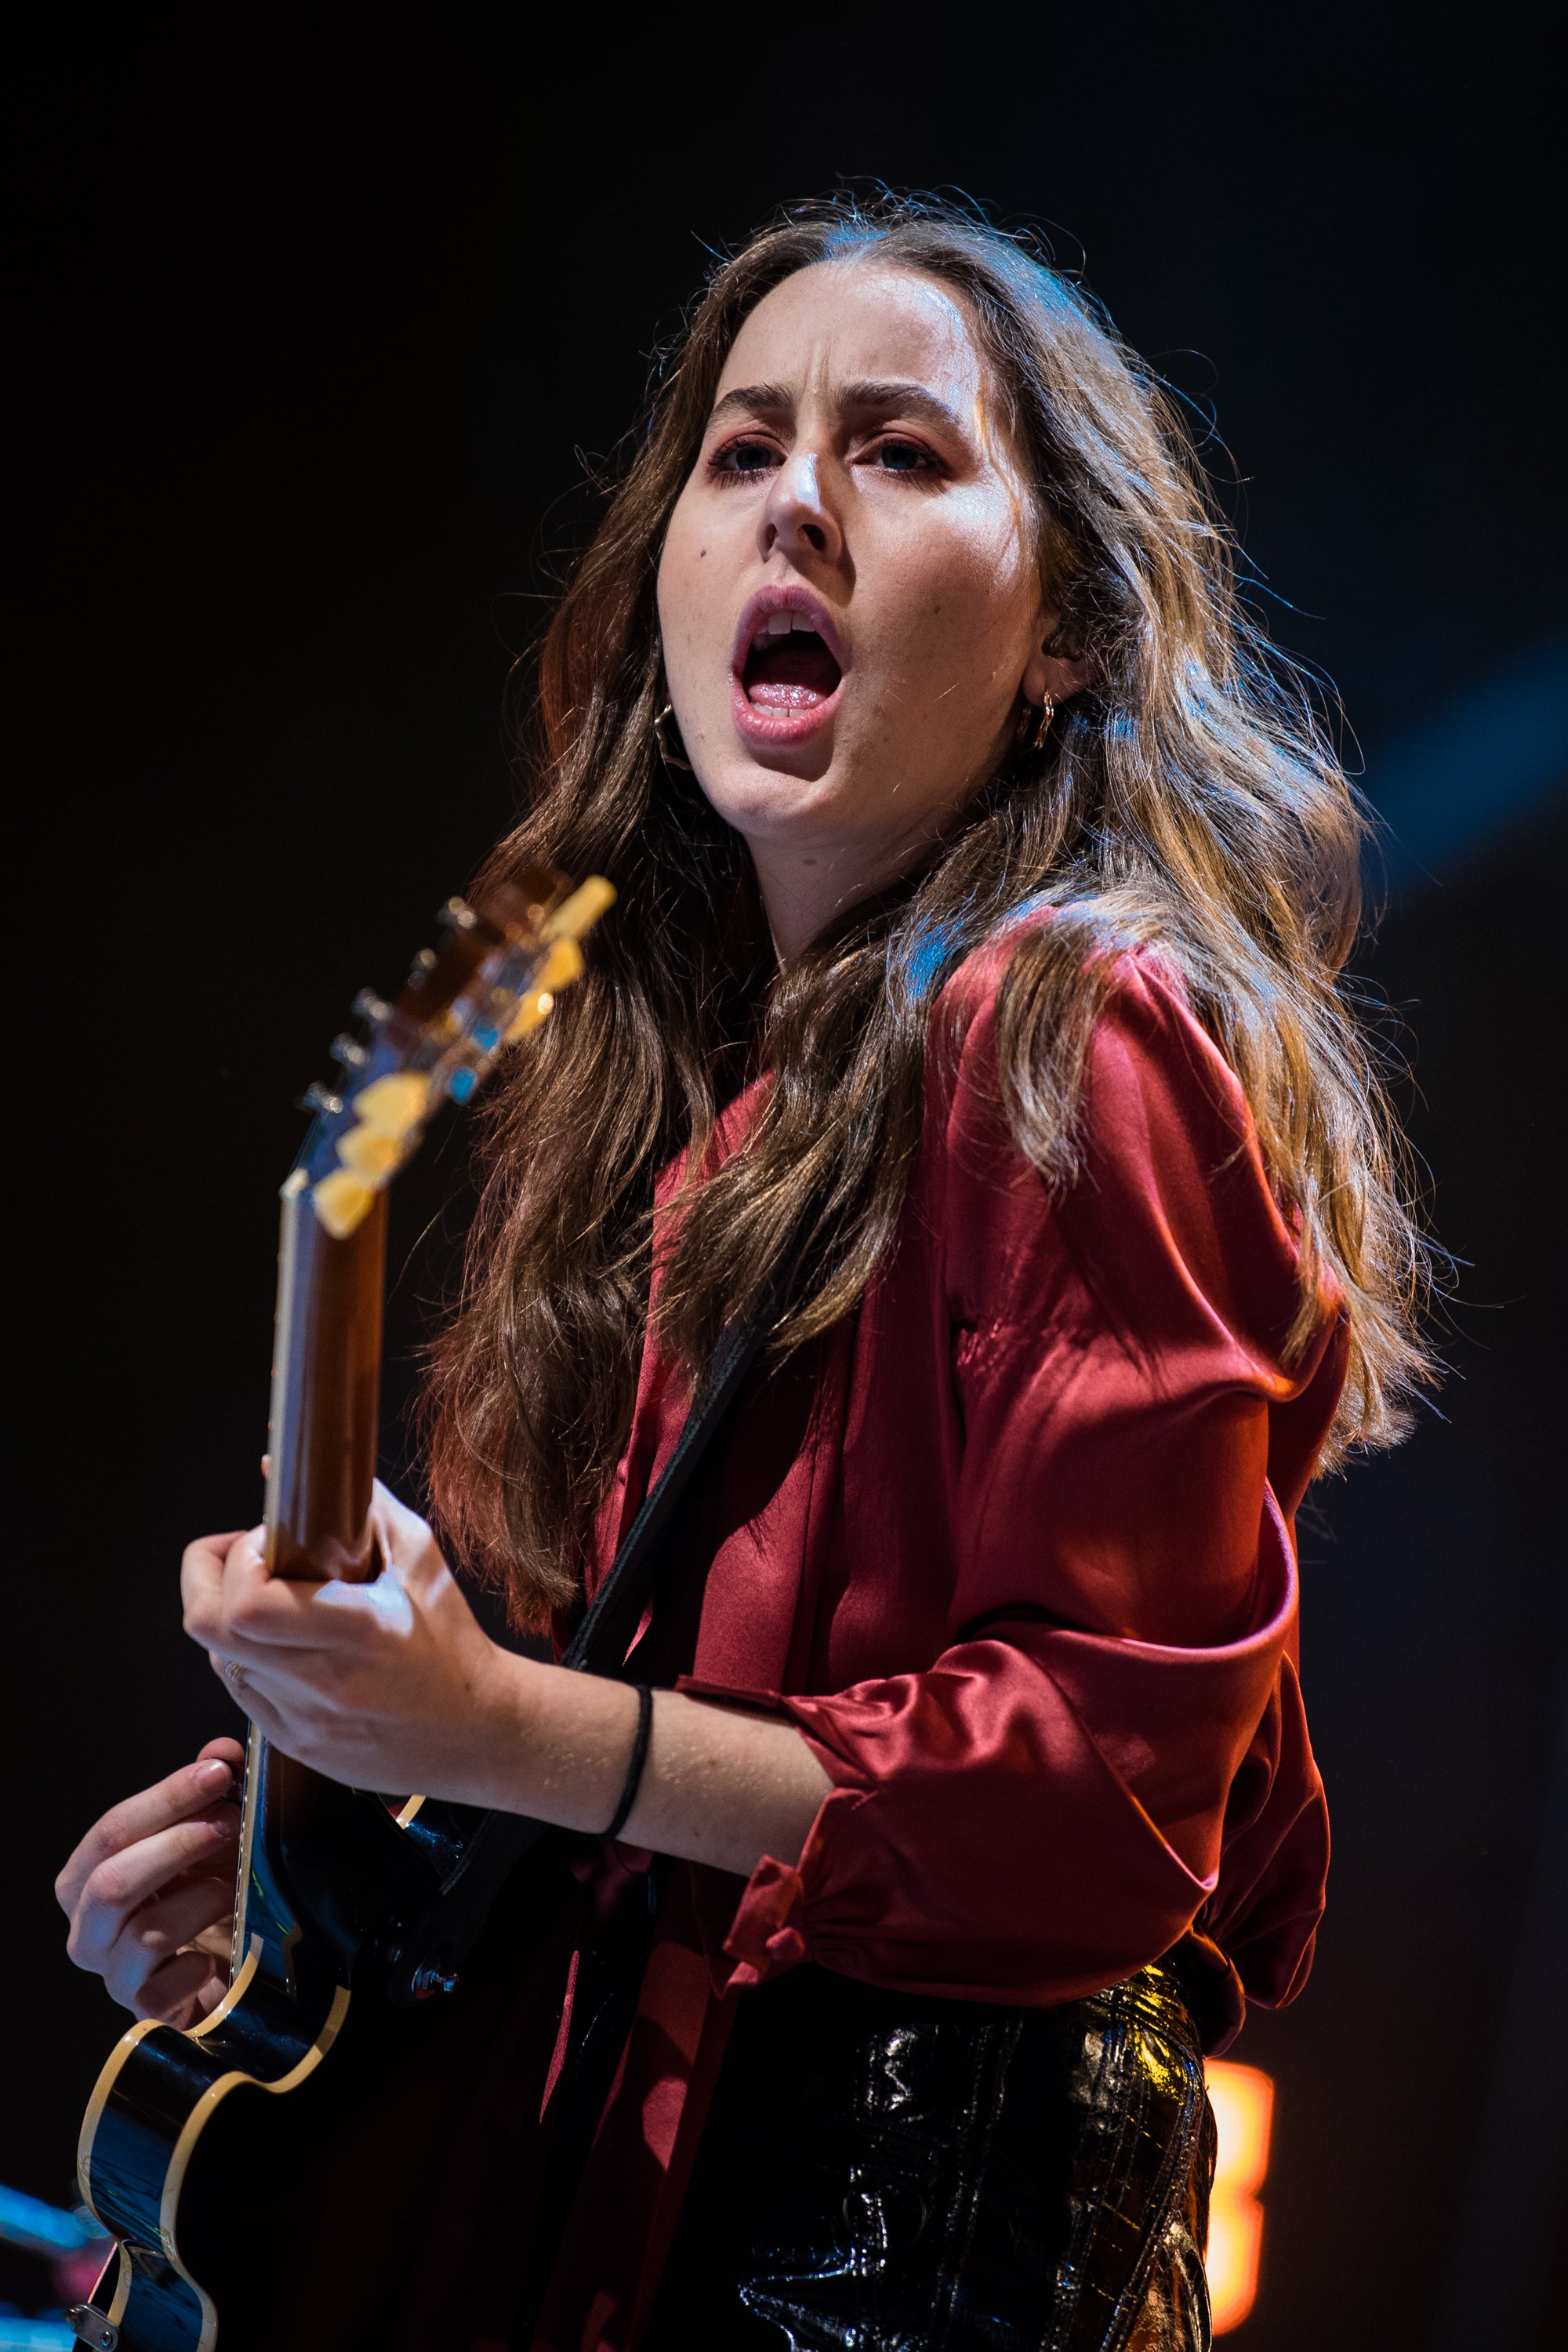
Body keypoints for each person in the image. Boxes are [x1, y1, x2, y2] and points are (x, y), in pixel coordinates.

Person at [55, 194, 1428, 2351]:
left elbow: (1096, 1799)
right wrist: (313, 1852)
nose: (797, 496)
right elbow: (652, 1794)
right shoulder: (694, 1130)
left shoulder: (1077, 1026)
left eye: (900, 451)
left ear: (1067, 624)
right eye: (740, 447)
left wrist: (510, 1726)